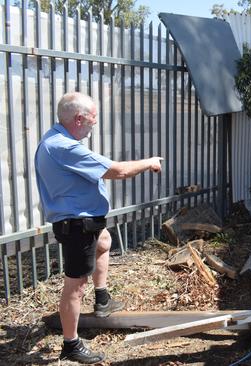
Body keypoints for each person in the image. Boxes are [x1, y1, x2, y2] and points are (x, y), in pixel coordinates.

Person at [35, 92, 163, 364]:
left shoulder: (58, 140)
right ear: (79, 119)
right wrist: (149, 162)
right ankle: (71, 344)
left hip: (85, 222)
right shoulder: (63, 147)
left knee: (104, 241)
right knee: (76, 285)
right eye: (93, 120)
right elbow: (118, 171)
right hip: (76, 225)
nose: (94, 125)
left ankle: (102, 299)